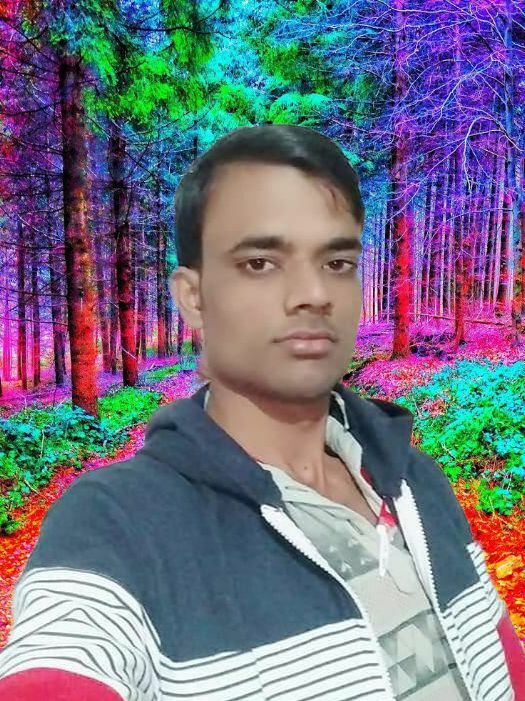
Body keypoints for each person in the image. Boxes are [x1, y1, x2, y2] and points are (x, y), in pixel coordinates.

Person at [0, 124, 523, 701]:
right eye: (259, 262)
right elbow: (58, 668)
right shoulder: (114, 522)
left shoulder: (414, 479)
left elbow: (503, 663)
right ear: (193, 297)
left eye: (337, 262)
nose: (313, 294)